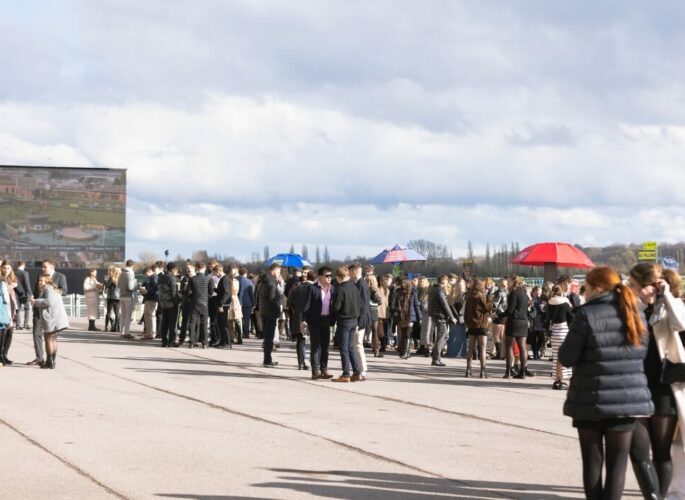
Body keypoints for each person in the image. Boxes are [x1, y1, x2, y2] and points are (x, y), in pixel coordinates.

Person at [559, 266, 653, 500]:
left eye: (587, 288)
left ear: (597, 288)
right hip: (627, 402)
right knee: (617, 466)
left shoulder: (586, 314)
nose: (585, 292)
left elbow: (567, 357)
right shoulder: (635, 313)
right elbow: (643, 354)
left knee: (592, 463)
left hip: (590, 400)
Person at [628, 263, 685, 498]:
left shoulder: (670, 307)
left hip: (663, 385)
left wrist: (666, 296)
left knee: (661, 452)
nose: (630, 288)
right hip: (635, 385)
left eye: (633, 284)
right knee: (638, 451)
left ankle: (659, 496)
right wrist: (640, 298)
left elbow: (681, 323)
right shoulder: (633, 307)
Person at [28, 259, 68, 365]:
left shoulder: (60, 276)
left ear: (52, 266)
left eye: (45, 267)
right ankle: (39, 358)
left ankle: (50, 360)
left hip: (50, 313)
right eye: (42, 267)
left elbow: (64, 292)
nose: (42, 269)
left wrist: (55, 291)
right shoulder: (40, 276)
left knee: (50, 337)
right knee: (37, 334)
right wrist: (34, 302)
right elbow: (37, 292)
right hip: (38, 310)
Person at [302, 266, 335, 380]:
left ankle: (324, 370)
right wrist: (304, 320)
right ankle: (315, 371)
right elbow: (307, 305)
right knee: (316, 346)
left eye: (330, 276)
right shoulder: (312, 288)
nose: (329, 278)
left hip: (326, 320)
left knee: (325, 347)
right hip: (315, 320)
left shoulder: (332, 289)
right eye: (327, 276)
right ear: (320, 276)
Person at [330, 265, 362, 382]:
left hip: (344, 321)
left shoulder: (340, 289)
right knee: (350, 347)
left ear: (338, 277)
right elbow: (360, 304)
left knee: (343, 348)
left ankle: (346, 374)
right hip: (354, 320)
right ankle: (357, 372)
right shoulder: (354, 287)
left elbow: (336, 307)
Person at [464, 278, 492, 378]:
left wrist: (467, 323)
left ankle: (468, 370)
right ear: (481, 286)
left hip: (471, 326)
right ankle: (483, 371)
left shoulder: (469, 297)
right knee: (482, 348)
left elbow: (466, 312)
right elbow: (487, 308)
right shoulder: (480, 296)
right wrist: (490, 300)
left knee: (470, 348)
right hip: (481, 325)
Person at [547, 285, 574, 389]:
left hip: (554, 331)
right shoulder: (565, 303)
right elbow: (571, 317)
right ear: (562, 292)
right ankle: (562, 380)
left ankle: (557, 379)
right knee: (563, 357)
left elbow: (548, 318)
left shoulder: (550, 303)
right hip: (563, 331)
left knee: (556, 356)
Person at [503, 275, 530, 379]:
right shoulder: (524, 292)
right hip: (523, 321)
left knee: (509, 346)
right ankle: (523, 372)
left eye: (509, 281)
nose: (508, 283)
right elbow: (528, 304)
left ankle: (508, 371)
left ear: (513, 281)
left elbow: (510, 310)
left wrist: (499, 315)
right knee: (523, 347)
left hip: (514, 321)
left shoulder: (513, 292)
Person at [427, 275, 458, 368]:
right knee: (441, 337)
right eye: (447, 282)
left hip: (435, 315)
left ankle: (437, 357)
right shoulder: (439, 290)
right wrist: (452, 317)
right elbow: (445, 305)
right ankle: (436, 359)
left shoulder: (433, 289)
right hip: (440, 316)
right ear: (444, 282)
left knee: (444, 336)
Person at [258, 263, 284, 367]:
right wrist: (278, 311)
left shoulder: (264, 281)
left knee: (267, 337)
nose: (279, 274)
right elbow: (273, 300)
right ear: (273, 272)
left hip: (264, 311)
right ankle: (267, 360)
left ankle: (267, 358)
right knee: (269, 337)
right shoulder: (271, 283)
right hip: (270, 313)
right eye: (278, 272)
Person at [288, 270, 314, 370]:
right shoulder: (314, 288)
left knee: (300, 341)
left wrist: (297, 309)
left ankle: (301, 362)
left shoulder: (296, 287)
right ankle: (312, 362)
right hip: (310, 317)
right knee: (313, 341)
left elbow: (289, 302)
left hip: (298, 316)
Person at [349, 263, 370, 378]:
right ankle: (360, 368)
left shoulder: (361, 284)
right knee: (356, 344)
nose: (349, 274)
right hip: (359, 319)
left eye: (350, 272)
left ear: (355, 271)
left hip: (360, 320)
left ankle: (362, 369)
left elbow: (363, 306)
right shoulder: (358, 283)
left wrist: (359, 323)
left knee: (357, 344)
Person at [187, 262, 213, 348]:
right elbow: (211, 292)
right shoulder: (209, 279)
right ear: (204, 269)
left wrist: (193, 297)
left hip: (194, 303)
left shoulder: (192, 279)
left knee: (192, 322)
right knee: (204, 324)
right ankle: (204, 342)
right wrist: (205, 297)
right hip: (205, 303)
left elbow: (188, 292)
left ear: (197, 269)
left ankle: (191, 341)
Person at [397, 277, 421, 360]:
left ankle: (405, 352)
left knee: (408, 333)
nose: (403, 284)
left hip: (410, 315)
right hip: (402, 315)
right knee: (404, 334)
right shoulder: (399, 292)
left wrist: (419, 317)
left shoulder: (413, 292)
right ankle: (406, 351)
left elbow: (416, 305)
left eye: (404, 283)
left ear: (407, 283)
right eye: (402, 283)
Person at [158, 262, 181, 347]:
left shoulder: (161, 277)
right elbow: (174, 293)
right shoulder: (172, 278)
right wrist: (176, 302)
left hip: (163, 303)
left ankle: (164, 341)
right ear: (173, 269)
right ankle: (171, 341)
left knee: (164, 322)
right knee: (172, 323)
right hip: (171, 304)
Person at [0, 261, 17, 365]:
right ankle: (1, 355)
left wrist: (14, 286)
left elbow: (22, 293)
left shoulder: (12, 280)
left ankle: (4, 354)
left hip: (11, 308)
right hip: (3, 308)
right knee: (3, 331)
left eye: (8, 268)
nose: (6, 270)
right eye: (4, 268)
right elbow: (5, 297)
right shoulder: (2, 280)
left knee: (9, 332)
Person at [118, 260, 137, 340]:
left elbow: (118, 284)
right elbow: (130, 287)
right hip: (128, 296)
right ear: (132, 266)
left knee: (122, 315)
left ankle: (122, 332)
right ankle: (126, 333)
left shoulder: (121, 273)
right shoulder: (131, 273)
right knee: (128, 316)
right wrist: (135, 285)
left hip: (121, 296)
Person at [490, 279, 508, 359]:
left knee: (496, 336)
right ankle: (503, 354)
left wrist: (492, 314)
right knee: (502, 336)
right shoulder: (508, 293)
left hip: (498, 314)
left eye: (503, 285)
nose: (502, 286)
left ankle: (499, 354)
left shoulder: (498, 292)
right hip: (505, 315)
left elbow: (494, 304)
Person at [237, 267, 255, 340]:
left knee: (238, 319)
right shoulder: (248, 281)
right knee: (247, 319)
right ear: (246, 273)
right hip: (247, 303)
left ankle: (238, 333)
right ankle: (246, 333)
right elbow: (251, 293)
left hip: (237, 302)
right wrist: (253, 303)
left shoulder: (236, 280)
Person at [14, 261, 32, 330]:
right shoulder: (25, 273)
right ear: (24, 265)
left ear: (17, 264)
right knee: (27, 308)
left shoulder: (14, 273)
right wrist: (30, 293)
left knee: (17, 309)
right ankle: (26, 324)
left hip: (16, 293)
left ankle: (18, 325)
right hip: (24, 294)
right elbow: (27, 284)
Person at [104, 266, 121, 332]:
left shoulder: (112, 278)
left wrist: (105, 282)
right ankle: (117, 327)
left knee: (109, 312)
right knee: (117, 313)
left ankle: (106, 327)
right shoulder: (120, 279)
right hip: (118, 298)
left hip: (111, 297)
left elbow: (107, 286)